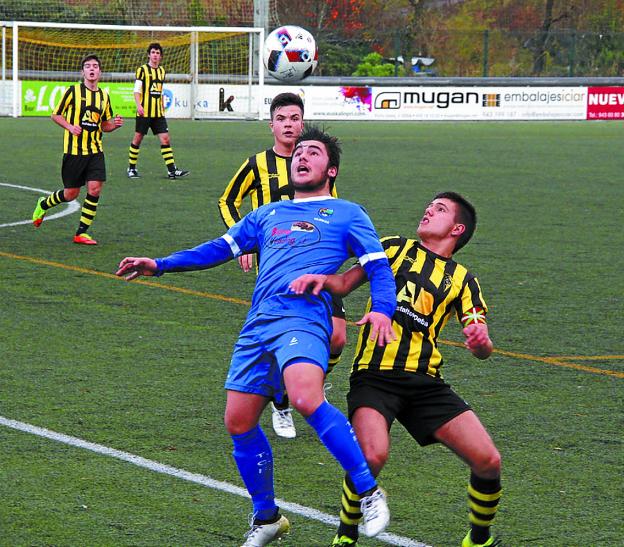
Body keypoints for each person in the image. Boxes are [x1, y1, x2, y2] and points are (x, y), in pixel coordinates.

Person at [116, 127, 397, 547]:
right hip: (258, 323)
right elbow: (217, 249)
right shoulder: (267, 213)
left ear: (330, 169)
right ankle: (267, 518)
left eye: (313, 152)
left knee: (304, 397)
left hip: (303, 318)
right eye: (298, 151)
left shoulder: (348, 212)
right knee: (239, 421)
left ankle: (369, 491)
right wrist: (159, 264)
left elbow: (378, 266)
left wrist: (381, 310)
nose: (301, 156)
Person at [290, 192, 502, 547]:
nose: (428, 209)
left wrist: (481, 343)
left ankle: (478, 540)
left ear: (457, 229)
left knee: (489, 461)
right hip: (375, 376)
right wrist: (318, 280)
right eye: (429, 204)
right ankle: (345, 534)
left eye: (440, 209)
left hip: (427, 384)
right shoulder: (392, 247)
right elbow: (344, 283)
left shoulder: (464, 280)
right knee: (371, 454)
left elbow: (483, 343)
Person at [218, 92, 347, 439]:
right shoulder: (257, 163)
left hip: (318, 266)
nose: (289, 125)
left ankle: (296, 388)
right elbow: (228, 199)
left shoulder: (317, 161)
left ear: (302, 123)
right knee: (281, 333)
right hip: (277, 268)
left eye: (294, 119)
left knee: (337, 338)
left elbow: (330, 206)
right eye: (282, 119)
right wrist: (243, 240)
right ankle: (282, 398)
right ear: (272, 124)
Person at [32, 54, 123, 245]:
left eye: (95, 66)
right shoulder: (72, 91)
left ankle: (81, 232)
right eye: (88, 66)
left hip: (95, 150)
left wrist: (114, 125)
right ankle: (43, 203)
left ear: (100, 71)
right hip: (74, 152)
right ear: (82, 72)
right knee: (70, 193)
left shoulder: (104, 96)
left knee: (95, 188)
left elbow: (104, 124)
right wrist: (70, 127)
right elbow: (55, 115)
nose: (92, 69)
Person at [127, 42, 189, 179]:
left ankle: (171, 170)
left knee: (165, 139)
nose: (155, 55)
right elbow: (137, 90)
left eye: (158, 53)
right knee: (138, 139)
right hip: (144, 112)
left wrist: (161, 107)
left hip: (158, 113)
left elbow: (160, 91)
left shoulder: (162, 71)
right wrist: (139, 105)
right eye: (153, 52)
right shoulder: (142, 70)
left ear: (161, 56)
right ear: (149, 54)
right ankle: (131, 168)